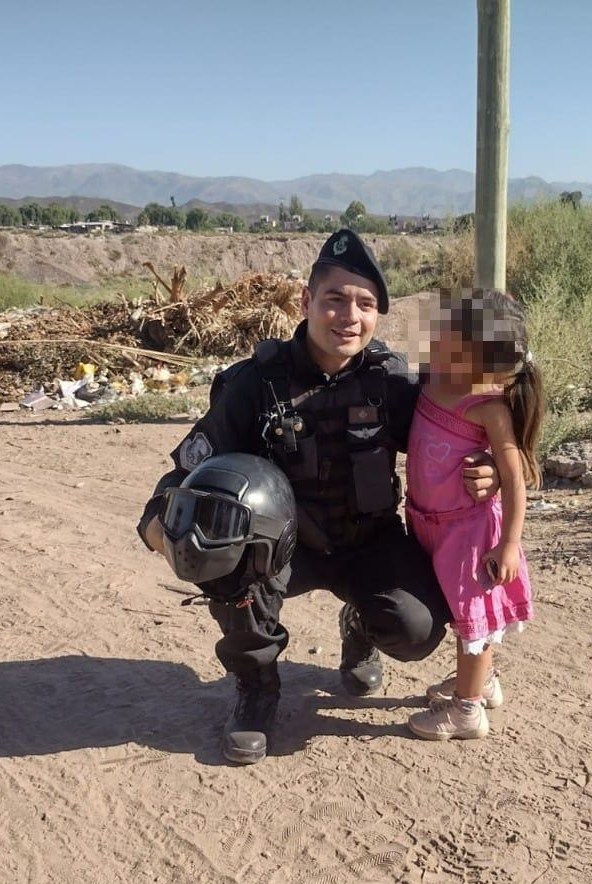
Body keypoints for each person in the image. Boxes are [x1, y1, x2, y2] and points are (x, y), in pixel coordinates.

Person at [138, 229, 500, 764]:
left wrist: (489, 466)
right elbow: (180, 478)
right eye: (335, 300)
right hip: (283, 550)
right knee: (226, 563)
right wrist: (171, 536)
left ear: (378, 316)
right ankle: (257, 690)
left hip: (369, 541)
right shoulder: (254, 385)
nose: (349, 316)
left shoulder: (391, 382)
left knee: (417, 629)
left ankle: (361, 625)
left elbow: (459, 430)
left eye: (366, 304)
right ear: (307, 302)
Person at [403, 289, 543, 741]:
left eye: (446, 337)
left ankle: (466, 710)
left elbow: (514, 477)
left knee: (473, 618)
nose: (435, 340)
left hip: (470, 532)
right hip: (430, 523)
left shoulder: (487, 407)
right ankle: (482, 681)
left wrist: (509, 544)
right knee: (464, 613)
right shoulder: (431, 382)